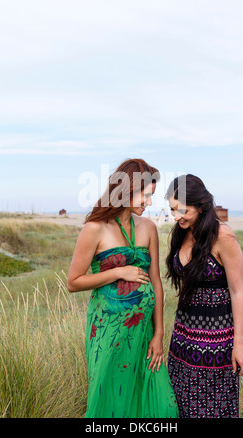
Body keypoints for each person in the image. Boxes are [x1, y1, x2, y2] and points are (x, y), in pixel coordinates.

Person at [67, 158, 179, 418]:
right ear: (127, 189)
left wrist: (159, 333)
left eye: (151, 197)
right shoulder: (94, 228)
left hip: (145, 330)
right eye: (145, 195)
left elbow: (156, 283)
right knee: (112, 399)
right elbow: (73, 282)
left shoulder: (149, 228)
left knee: (163, 406)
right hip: (109, 330)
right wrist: (119, 271)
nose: (148, 203)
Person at [165, 174, 243, 418]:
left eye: (183, 210)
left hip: (217, 337)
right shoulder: (182, 232)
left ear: (201, 206)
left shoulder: (222, 235)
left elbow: (237, 291)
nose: (176, 216)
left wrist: (239, 344)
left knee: (211, 407)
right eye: (172, 209)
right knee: (181, 402)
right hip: (184, 334)